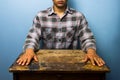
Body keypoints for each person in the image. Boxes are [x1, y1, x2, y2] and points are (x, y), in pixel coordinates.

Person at [17, 0, 105, 66]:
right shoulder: (40, 16)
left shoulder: (79, 16)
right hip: (46, 64)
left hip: (72, 64)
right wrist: (29, 51)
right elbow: (32, 37)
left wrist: (91, 52)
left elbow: (87, 38)